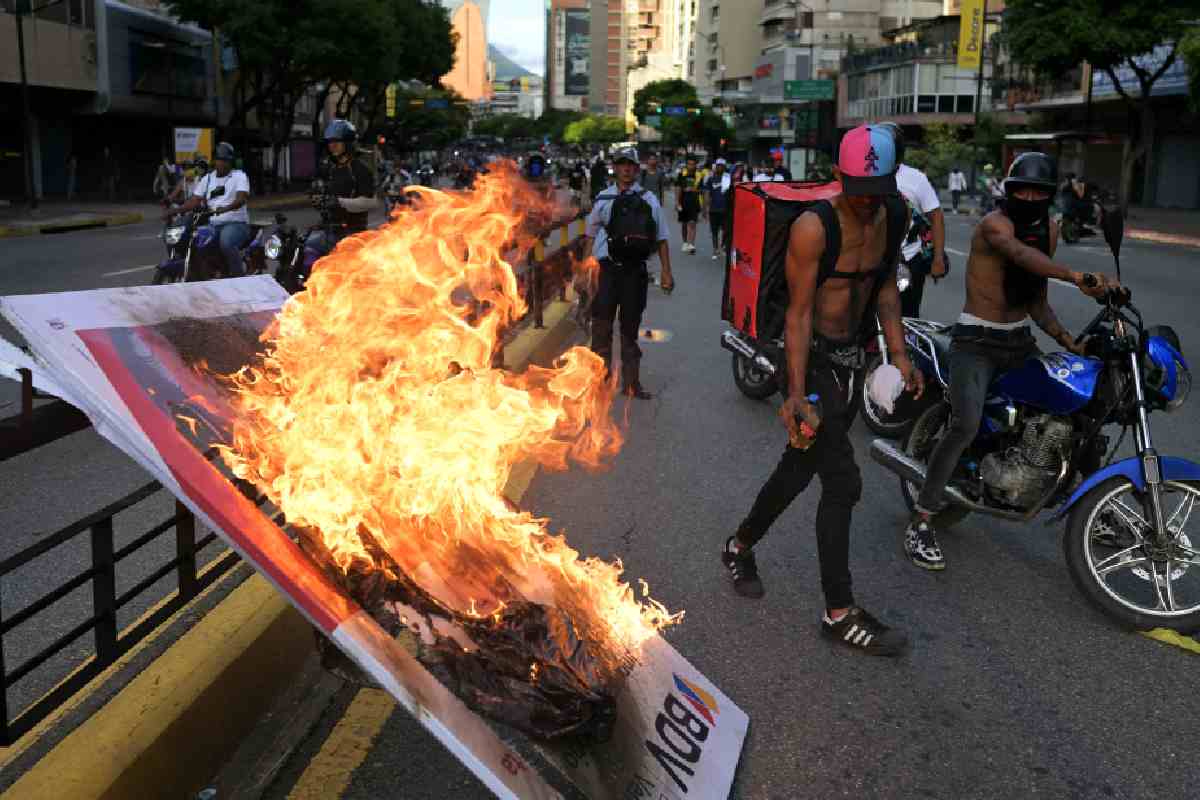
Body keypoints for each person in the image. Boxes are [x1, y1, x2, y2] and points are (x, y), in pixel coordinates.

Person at [721, 124, 920, 656]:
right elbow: (799, 313)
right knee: (843, 482)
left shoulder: (893, 214)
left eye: (877, 194)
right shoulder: (814, 227)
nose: (867, 206)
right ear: (838, 178)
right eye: (858, 193)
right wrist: (793, 392)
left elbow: (882, 286)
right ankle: (839, 611)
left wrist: (898, 354)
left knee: (799, 465)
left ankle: (739, 545)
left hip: (853, 359)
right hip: (811, 360)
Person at [904, 152, 1116, 570]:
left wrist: (1068, 341)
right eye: (1023, 189)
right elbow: (1019, 255)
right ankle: (923, 519)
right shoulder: (993, 224)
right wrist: (1075, 276)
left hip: (1018, 342)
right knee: (965, 423)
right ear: (1009, 189)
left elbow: (1035, 297)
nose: (1030, 196)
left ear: (1049, 195)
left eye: (1039, 191)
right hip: (975, 343)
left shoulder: (1050, 230)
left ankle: (1093, 507)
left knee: (1078, 412)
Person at [583, 147, 675, 399]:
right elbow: (590, 236)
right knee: (601, 327)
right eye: (621, 164)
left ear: (636, 169)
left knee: (630, 330)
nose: (626, 169)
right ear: (615, 168)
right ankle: (599, 381)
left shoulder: (649, 200)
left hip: (635, 273)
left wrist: (667, 272)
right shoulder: (603, 198)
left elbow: (662, 238)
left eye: (630, 165)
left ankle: (631, 383)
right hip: (606, 272)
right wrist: (584, 271)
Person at [875, 122, 946, 317]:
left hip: (907, 261)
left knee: (907, 316)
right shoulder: (866, 175)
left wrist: (938, 258)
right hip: (870, 259)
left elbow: (936, 217)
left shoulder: (916, 179)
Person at [166, 141, 251, 277]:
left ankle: (238, 277)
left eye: (225, 160)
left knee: (226, 242)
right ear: (215, 161)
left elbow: (241, 199)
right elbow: (194, 201)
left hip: (236, 224)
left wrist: (227, 208)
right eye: (219, 160)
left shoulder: (239, 176)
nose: (222, 163)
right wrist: (175, 210)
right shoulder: (208, 179)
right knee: (197, 242)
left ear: (231, 162)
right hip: (213, 224)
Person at [311, 119, 377, 252]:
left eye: (336, 141)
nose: (332, 145)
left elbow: (371, 202)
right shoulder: (330, 168)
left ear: (348, 143)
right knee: (304, 248)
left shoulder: (360, 168)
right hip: (331, 231)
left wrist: (340, 202)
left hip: (353, 234)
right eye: (330, 142)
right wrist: (319, 199)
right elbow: (324, 195)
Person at [702, 158, 732, 259]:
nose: (719, 167)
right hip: (713, 209)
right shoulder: (710, 178)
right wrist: (704, 209)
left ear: (724, 167)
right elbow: (706, 194)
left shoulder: (728, 178)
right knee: (714, 231)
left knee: (726, 230)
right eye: (718, 165)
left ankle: (723, 247)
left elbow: (732, 194)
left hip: (726, 209)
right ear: (715, 166)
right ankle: (715, 250)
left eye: (721, 165)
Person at [675, 155, 702, 254]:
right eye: (689, 164)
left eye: (693, 164)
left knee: (692, 223)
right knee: (684, 224)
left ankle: (691, 244)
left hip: (694, 203)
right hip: (683, 202)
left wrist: (694, 189)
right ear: (686, 165)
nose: (691, 166)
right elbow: (677, 188)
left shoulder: (699, 175)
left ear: (695, 165)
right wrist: (677, 202)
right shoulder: (682, 174)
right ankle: (685, 242)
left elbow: (702, 189)